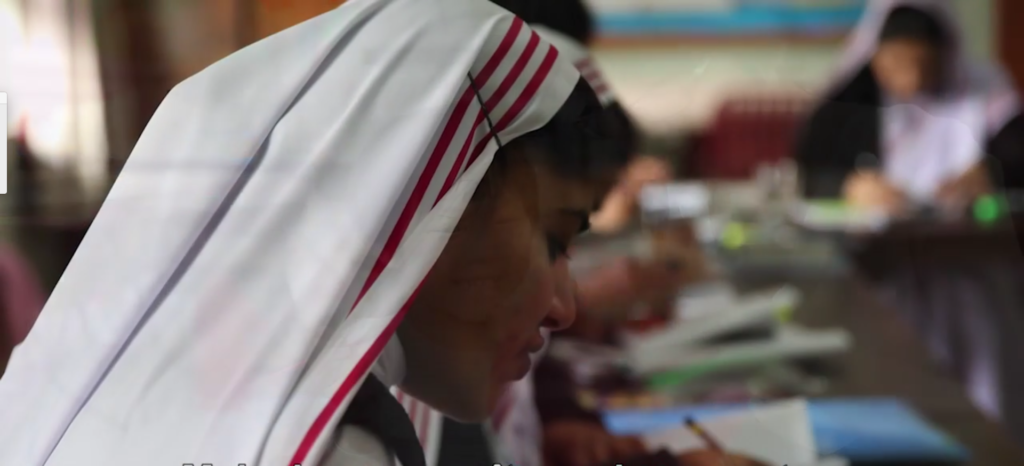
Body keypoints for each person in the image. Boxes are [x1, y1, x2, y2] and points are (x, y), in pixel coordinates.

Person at [0, 0, 634, 464]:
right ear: (424, 209)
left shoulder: (177, 395)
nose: (565, 305)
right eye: (553, 240)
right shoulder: (337, 448)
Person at [796, 0, 1023, 215]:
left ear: (944, 56)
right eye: (897, 61)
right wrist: (847, 187)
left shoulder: (986, 93)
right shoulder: (850, 101)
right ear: (874, 57)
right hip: (871, 238)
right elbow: (805, 176)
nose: (912, 79)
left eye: (923, 63)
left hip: (968, 236)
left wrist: (991, 174)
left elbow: (1016, 157)